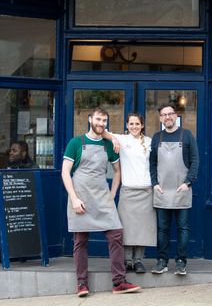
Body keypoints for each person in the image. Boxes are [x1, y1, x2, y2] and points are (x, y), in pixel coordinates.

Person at [61, 107, 140, 297]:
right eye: (98, 119)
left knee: (116, 235)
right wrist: (74, 198)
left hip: (102, 197)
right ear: (90, 119)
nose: (101, 123)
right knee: (80, 241)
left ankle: (119, 282)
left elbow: (118, 172)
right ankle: (81, 284)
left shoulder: (109, 144)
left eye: (104, 121)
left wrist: (112, 196)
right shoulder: (76, 143)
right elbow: (65, 172)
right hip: (81, 198)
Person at [150, 103, 199, 276]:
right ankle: (162, 261)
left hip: (181, 189)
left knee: (182, 228)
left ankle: (181, 262)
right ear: (160, 118)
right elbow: (153, 163)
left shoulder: (186, 135)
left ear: (175, 115)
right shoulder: (157, 137)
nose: (167, 117)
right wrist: (155, 183)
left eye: (170, 114)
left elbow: (195, 160)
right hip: (162, 190)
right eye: (163, 115)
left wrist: (188, 182)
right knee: (162, 229)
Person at [104, 113, 156, 274]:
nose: (134, 127)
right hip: (127, 191)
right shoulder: (123, 139)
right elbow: (103, 131)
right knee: (125, 228)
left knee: (142, 228)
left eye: (137, 124)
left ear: (142, 125)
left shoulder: (149, 142)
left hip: (146, 191)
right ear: (127, 125)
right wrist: (113, 140)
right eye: (131, 124)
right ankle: (128, 261)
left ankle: (139, 261)